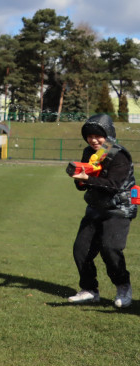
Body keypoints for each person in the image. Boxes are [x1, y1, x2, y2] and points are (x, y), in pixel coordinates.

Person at [67, 113, 136, 308]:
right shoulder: (89, 152)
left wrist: (87, 179)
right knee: (81, 250)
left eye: (99, 135)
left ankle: (123, 286)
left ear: (108, 134)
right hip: (96, 207)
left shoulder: (118, 154)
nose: (94, 140)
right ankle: (89, 290)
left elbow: (113, 185)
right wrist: (80, 180)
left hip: (120, 208)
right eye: (89, 136)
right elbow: (85, 182)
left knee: (110, 249)